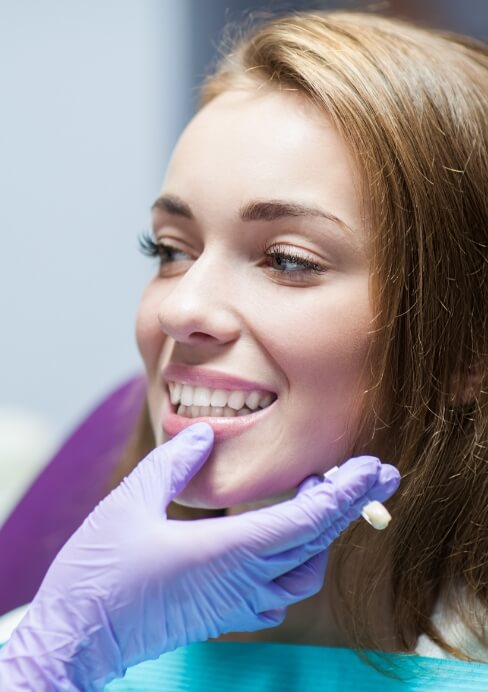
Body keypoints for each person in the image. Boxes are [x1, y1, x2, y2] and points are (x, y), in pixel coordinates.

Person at [1, 8, 487, 690]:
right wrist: (56, 655)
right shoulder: (52, 647)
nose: (179, 308)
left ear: (469, 351)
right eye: (170, 250)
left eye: (287, 260)